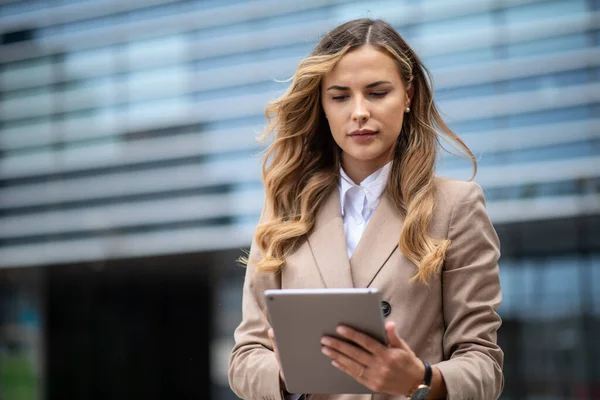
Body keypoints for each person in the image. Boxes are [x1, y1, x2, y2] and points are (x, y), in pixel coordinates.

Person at [228, 18, 503, 400]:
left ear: (407, 96)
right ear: (322, 106)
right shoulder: (286, 209)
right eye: (340, 97)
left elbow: (483, 363)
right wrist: (287, 375)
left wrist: (420, 379)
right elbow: (245, 357)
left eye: (377, 92)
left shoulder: (456, 206)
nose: (358, 112)